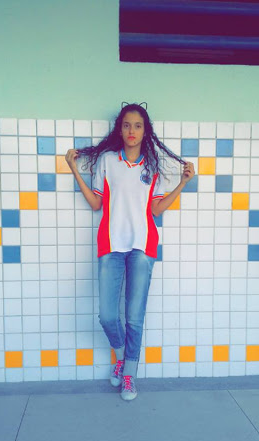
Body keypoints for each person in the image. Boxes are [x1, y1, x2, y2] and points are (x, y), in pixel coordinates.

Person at [65, 102, 195, 401]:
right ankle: (124, 359)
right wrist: (74, 169)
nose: (132, 131)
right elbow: (96, 204)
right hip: (110, 245)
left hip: (143, 246)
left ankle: (129, 376)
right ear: (120, 129)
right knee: (107, 316)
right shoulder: (108, 161)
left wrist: (183, 183)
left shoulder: (153, 166)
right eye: (126, 125)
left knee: (134, 318)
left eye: (137, 125)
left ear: (145, 131)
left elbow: (156, 210)